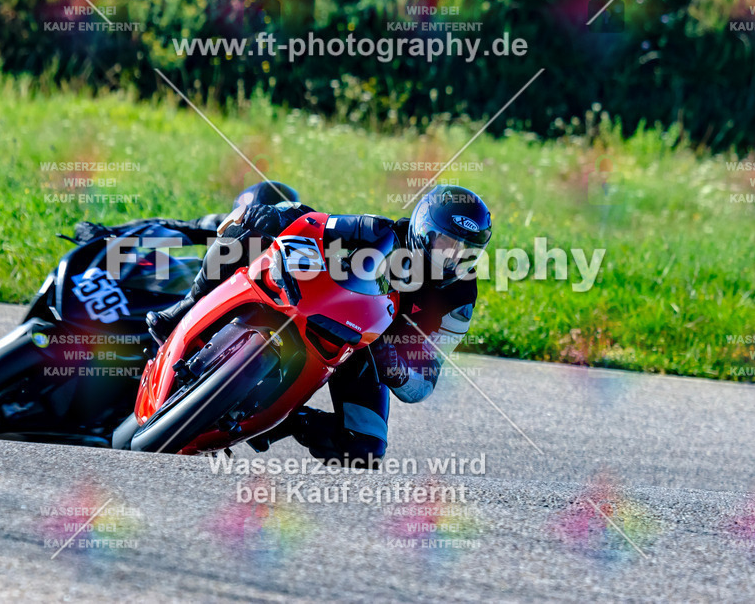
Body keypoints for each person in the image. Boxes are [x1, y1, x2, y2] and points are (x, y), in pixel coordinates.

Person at [146, 185, 493, 468]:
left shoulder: (460, 299)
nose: (453, 256)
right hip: (315, 301)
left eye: (466, 250)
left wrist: (397, 370)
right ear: (421, 230)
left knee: (365, 449)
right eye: (445, 243)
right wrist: (277, 216)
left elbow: (425, 381)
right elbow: (316, 222)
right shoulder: (381, 231)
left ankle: (283, 419)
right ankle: (184, 309)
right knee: (248, 228)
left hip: (365, 350)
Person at [72, 181, 300, 245]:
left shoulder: (303, 250)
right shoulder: (225, 225)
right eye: (246, 219)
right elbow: (173, 227)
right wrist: (109, 233)